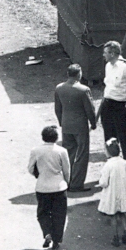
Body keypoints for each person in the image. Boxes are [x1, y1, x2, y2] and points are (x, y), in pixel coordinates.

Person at [99, 41, 126, 182]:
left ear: (113, 53)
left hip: (120, 106)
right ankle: (112, 171)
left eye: (105, 52)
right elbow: (108, 87)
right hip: (107, 105)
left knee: (125, 140)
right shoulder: (107, 66)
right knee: (109, 140)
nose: (103, 55)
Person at [55, 63, 98, 192]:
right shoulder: (83, 90)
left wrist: (61, 122)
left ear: (68, 74)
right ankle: (76, 184)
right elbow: (89, 109)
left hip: (66, 125)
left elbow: (58, 109)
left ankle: (66, 181)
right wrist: (93, 122)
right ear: (79, 74)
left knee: (68, 154)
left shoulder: (59, 88)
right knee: (82, 154)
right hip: (80, 126)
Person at [28, 125, 72, 250]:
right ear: (56, 137)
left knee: (43, 213)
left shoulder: (36, 150)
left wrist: (39, 175)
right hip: (59, 187)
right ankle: (57, 240)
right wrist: (66, 182)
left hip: (42, 187)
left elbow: (30, 168)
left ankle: (47, 233)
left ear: (43, 137)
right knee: (59, 214)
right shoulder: (62, 151)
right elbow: (67, 170)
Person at [98, 137, 126, 246]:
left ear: (108, 152)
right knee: (122, 214)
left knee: (113, 214)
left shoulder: (108, 165)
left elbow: (104, 182)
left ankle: (115, 236)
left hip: (112, 193)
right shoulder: (124, 163)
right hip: (122, 192)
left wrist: (101, 182)